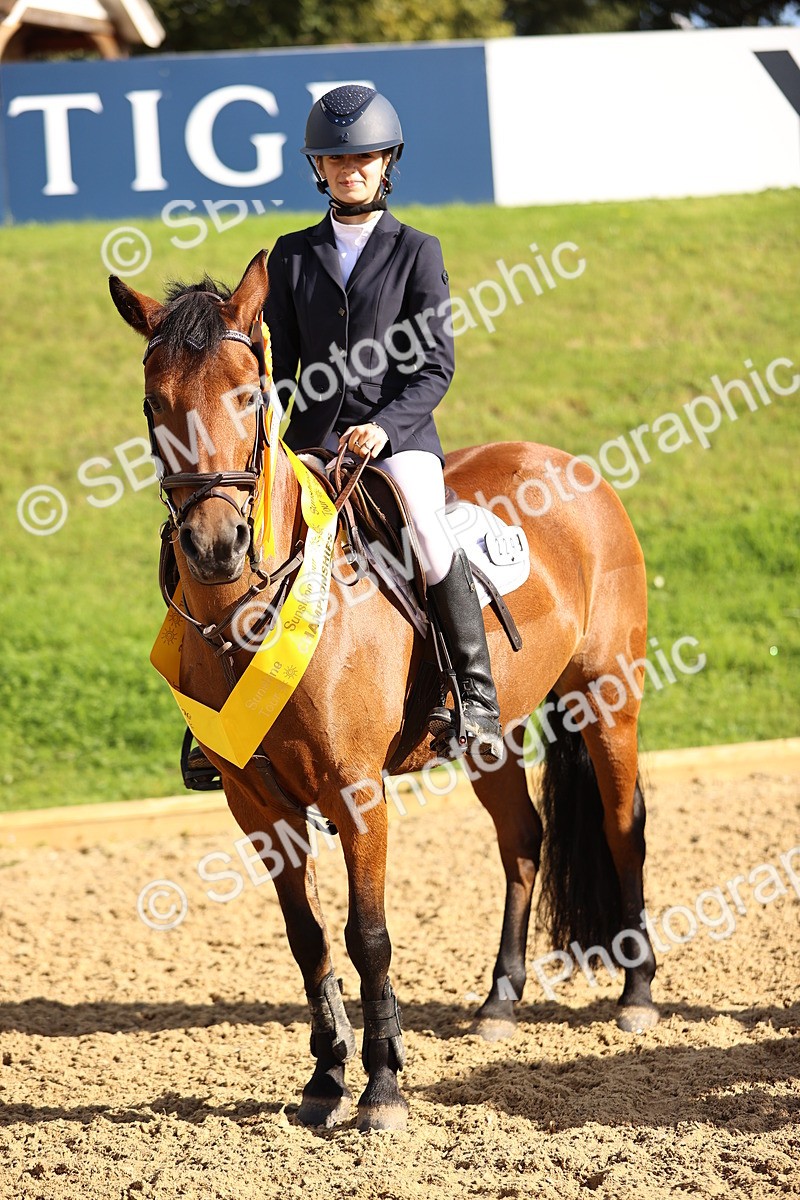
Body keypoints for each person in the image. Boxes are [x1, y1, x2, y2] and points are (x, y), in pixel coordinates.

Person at [261, 85, 503, 763]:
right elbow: (280, 368)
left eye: (363, 156)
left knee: (427, 528)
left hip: (398, 441)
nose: (350, 168)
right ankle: (219, 719)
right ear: (319, 169)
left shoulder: (417, 251)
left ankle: (474, 696)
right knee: (245, 532)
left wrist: (385, 428)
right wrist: (280, 434)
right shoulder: (289, 255)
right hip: (313, 443)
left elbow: (435, 367)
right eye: (336, 159)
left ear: (386, 161)